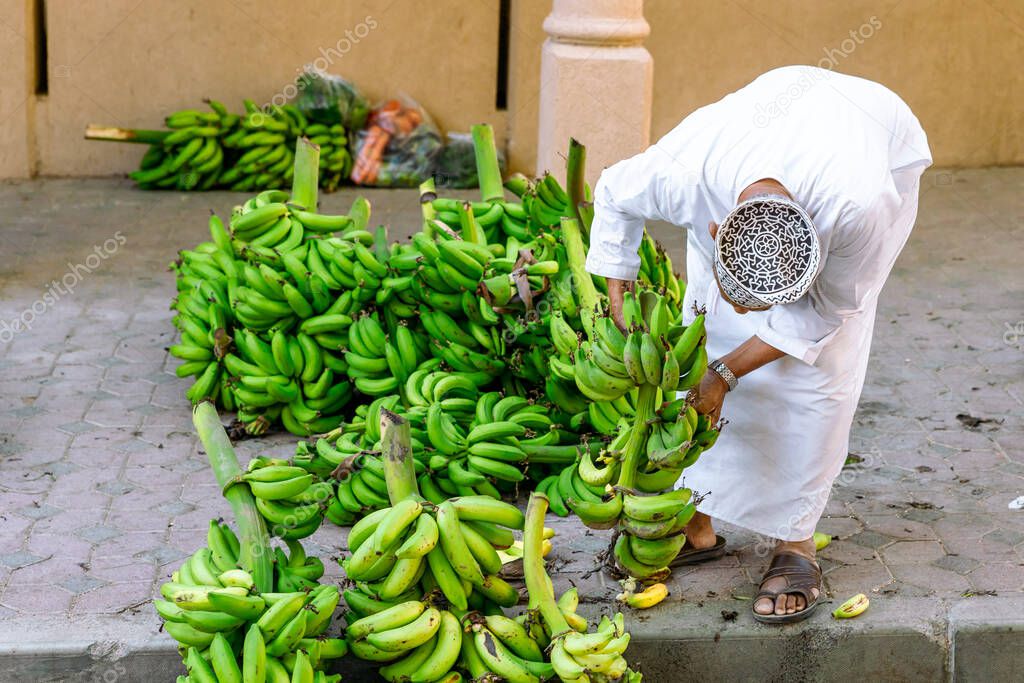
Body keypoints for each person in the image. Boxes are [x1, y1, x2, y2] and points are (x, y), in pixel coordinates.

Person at [585, 65, 931, 623]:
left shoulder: (860, 210)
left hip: (873, 127)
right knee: (707, 327)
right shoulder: (683, 176)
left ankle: (795, 544)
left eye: (762, 302)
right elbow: (612, 194)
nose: (750, 314)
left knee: (818, 378)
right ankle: (697, 522)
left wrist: (724, 374)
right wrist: (618, 294)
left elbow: (827, 312)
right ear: (718, 232)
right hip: (768, 117)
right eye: (742, 295)